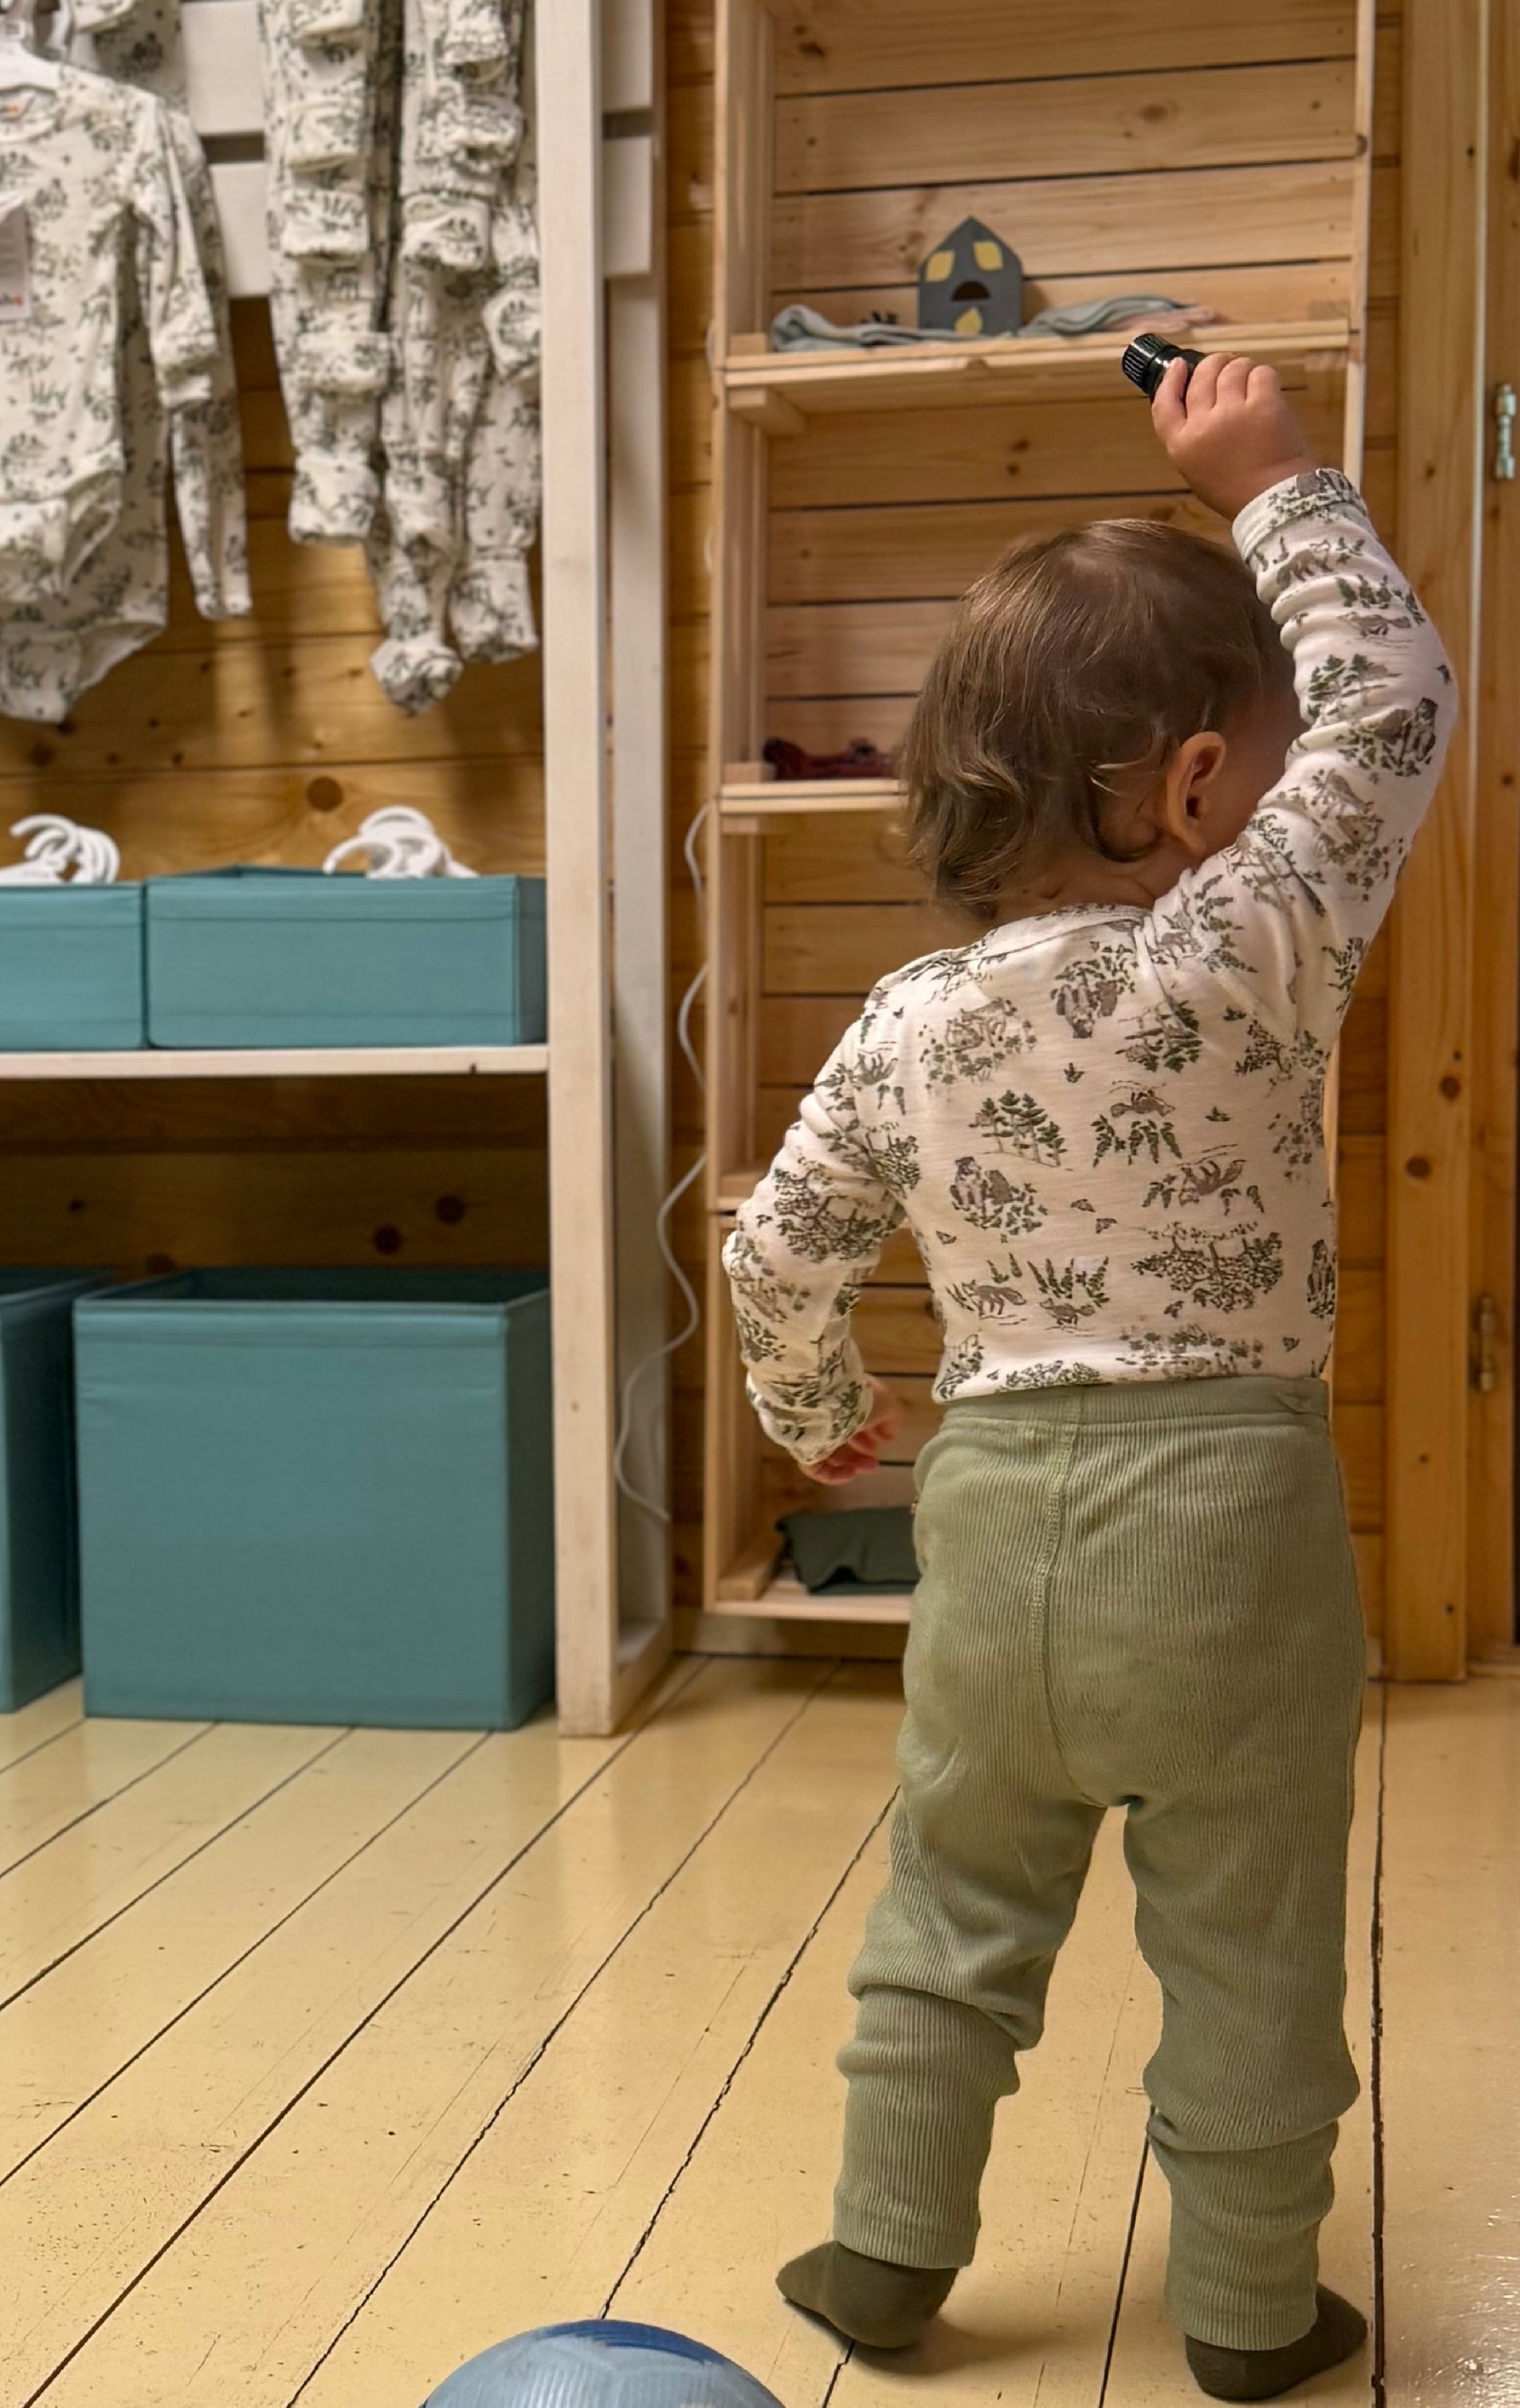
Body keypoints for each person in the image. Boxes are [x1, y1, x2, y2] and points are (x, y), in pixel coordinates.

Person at [725, 355, 1454, 2401]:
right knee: (1247, 1936)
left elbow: (774, 1251)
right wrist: (1272, 479)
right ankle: (1247, 2313)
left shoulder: (907, 1013)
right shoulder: (1247, 946)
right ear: (1205, 788)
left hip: (987, 1531)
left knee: (951, 1909)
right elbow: (1395, 698)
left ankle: (886, 2251)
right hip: (1226, 1533)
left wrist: (819, 1420)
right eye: (1272, 767)